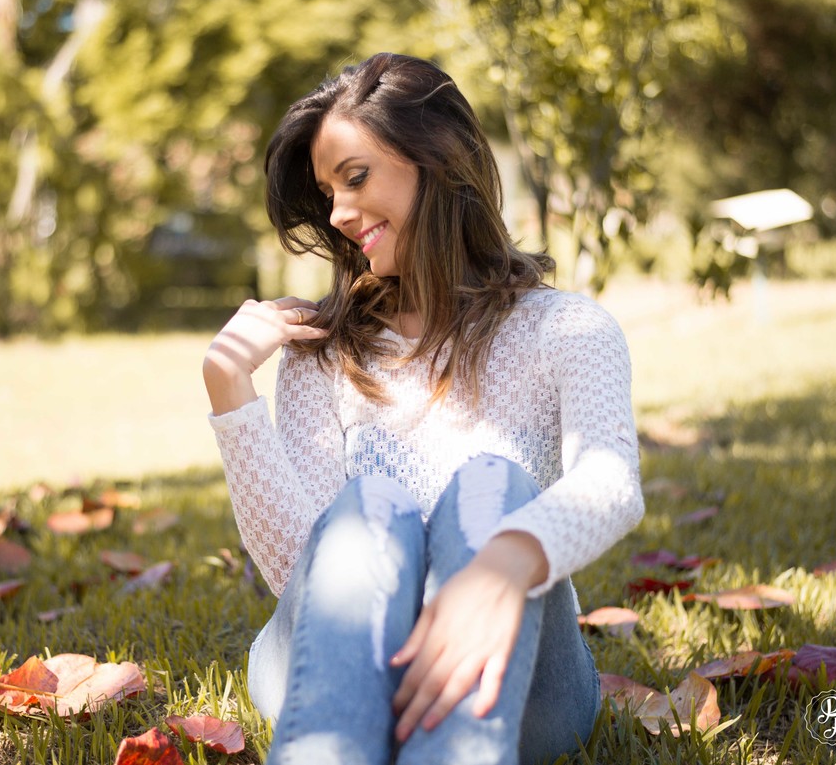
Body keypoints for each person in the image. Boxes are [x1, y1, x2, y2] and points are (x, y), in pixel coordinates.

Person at [202, 52, 643, 765]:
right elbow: (300, 575)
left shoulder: (568, 329)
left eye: (356, 176)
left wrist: (503, 561)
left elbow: (611, 482)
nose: (340, 214)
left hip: (516, 681)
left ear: (438, 160)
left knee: (492, 486)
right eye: (327, 191)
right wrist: (231, 397)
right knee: (371, 503)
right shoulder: (324, 351)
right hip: (339, 677)